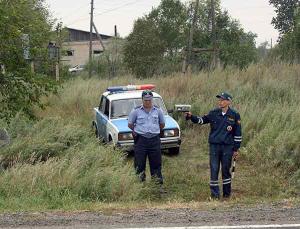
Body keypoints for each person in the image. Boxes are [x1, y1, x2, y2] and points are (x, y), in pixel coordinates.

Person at [185, 92, 242, 199]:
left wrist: (236, 149)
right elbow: (201, 120)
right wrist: (191, 116)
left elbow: (238, 134)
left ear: (229, 101)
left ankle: (226, 195)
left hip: (227, 148)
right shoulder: (213, 113)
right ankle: (215, 196)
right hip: (214, 147)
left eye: (222, 100)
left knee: (226, 170)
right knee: (214, 169)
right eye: (219, 100)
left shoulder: (234, 115)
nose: (220, 102)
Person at [128, 90, 165, 185]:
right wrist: (138, 131)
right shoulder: (136, 111)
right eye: (145, 100)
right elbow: (130, 124)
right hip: (141, 141)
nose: (147, 102)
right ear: (142, 100)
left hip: (154, 140)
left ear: (152, 100)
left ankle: (157, 185)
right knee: (139, 163)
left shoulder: (158, 110)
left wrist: (154, 131)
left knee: (156, 164)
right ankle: (140, 185)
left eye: (149, 100)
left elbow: (162, 124)